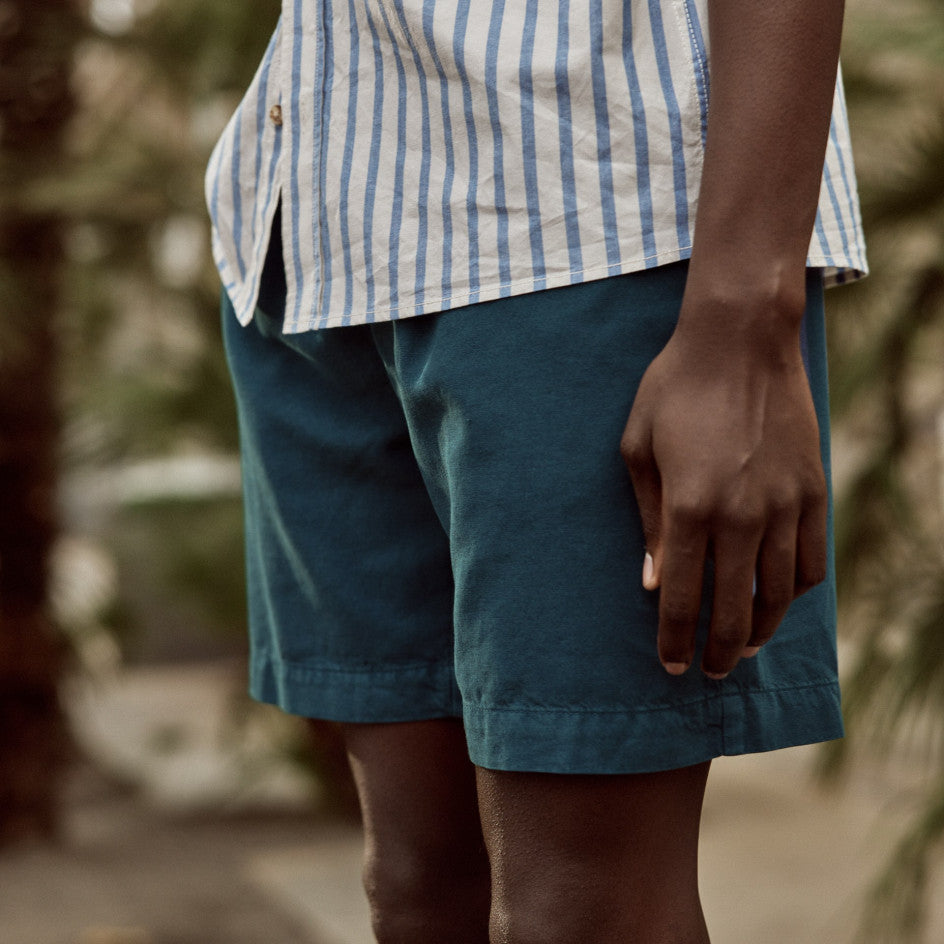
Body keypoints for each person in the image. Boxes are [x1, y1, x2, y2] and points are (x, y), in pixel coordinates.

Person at [207, 0, 866, 940]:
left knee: (577, 909)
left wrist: (746, 316)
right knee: (418, 892)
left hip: (583, 210)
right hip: (315, 206)